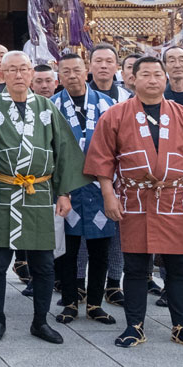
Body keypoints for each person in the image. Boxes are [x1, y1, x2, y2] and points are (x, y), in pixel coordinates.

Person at [85, 57, 183, 349]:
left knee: (179, 266)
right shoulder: (115, 115)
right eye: (145, 74)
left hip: (173, 199)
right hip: (134, 199)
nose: (152, 80)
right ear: (132, 80)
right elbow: (102, 158)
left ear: (166, 79)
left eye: (157, 74)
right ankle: (134, 326)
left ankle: (182, 325)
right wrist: (108, 194)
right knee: (136, 267)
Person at [0, 50, 84, 344]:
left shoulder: (46, 107)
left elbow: (64, 150)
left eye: (24, 69)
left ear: (32, 73)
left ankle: (40, 322)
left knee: (43, 263)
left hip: (40, 192)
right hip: (1, 191)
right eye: (12, 70)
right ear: (2, 74)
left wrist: (64, 192)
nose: (19, 75)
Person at [51, 52, 118, 326]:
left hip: (99, 187)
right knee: (67, 249)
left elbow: (117, 145)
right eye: (65, 71)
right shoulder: (51, 105)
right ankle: (69, 302)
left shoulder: (108, 103)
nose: (71, 76)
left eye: (76, 70)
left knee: (100, 248)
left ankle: (95, 303)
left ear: (86, 71)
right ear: (60, 75)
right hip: (66, 187)